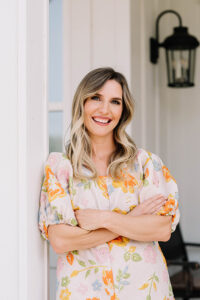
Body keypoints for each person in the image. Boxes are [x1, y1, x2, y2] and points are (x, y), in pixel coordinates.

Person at [38, 67, 180, 300]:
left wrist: (103, 219)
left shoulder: (146, 164)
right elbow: (61, 240)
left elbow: (162, 229)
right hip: (83, 291)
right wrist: (132, 219)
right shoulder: (60, 167)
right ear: (82, 103)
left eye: (115, 102)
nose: (105, 109)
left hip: (145, 289)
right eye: (96, 97)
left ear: (123, 111)